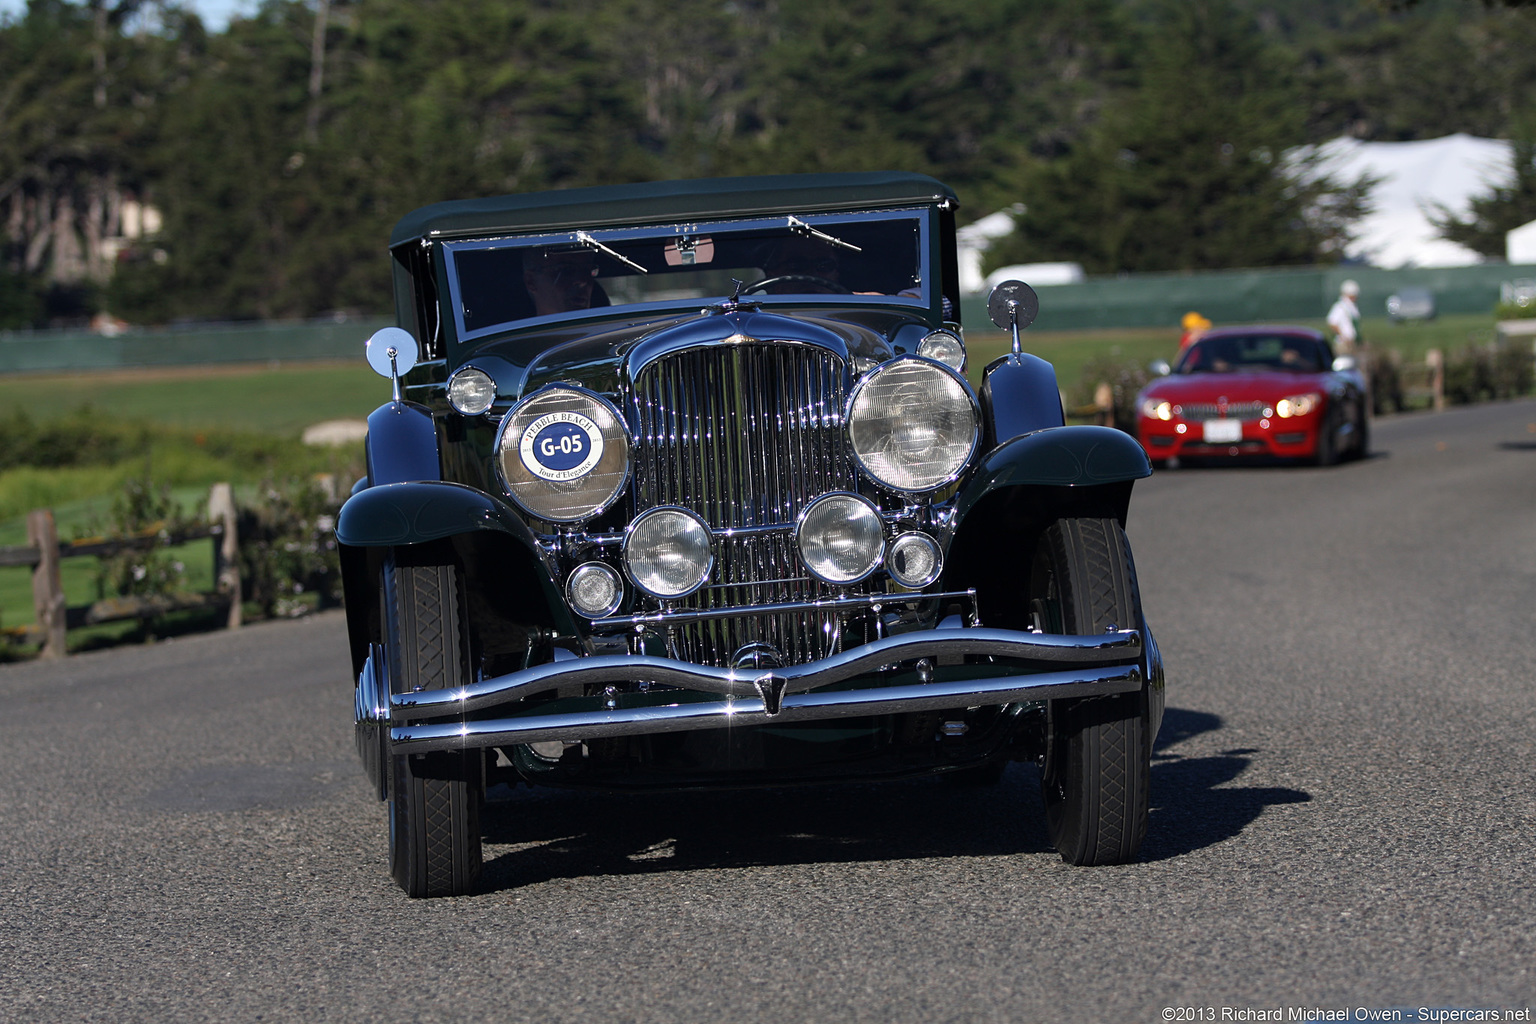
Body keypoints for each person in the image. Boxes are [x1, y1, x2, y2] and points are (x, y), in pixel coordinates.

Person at [523, 249, 601, 316]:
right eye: (566, 270)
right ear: (531, 281)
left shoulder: (609, 331)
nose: (583, 281)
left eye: (587, 271)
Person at [1326, 279, 1361, 355]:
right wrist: (1344, 337)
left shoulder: (1351, 307)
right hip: (1344, 344)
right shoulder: (1340, 306)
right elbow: (1332, 323)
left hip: (1352, 343)